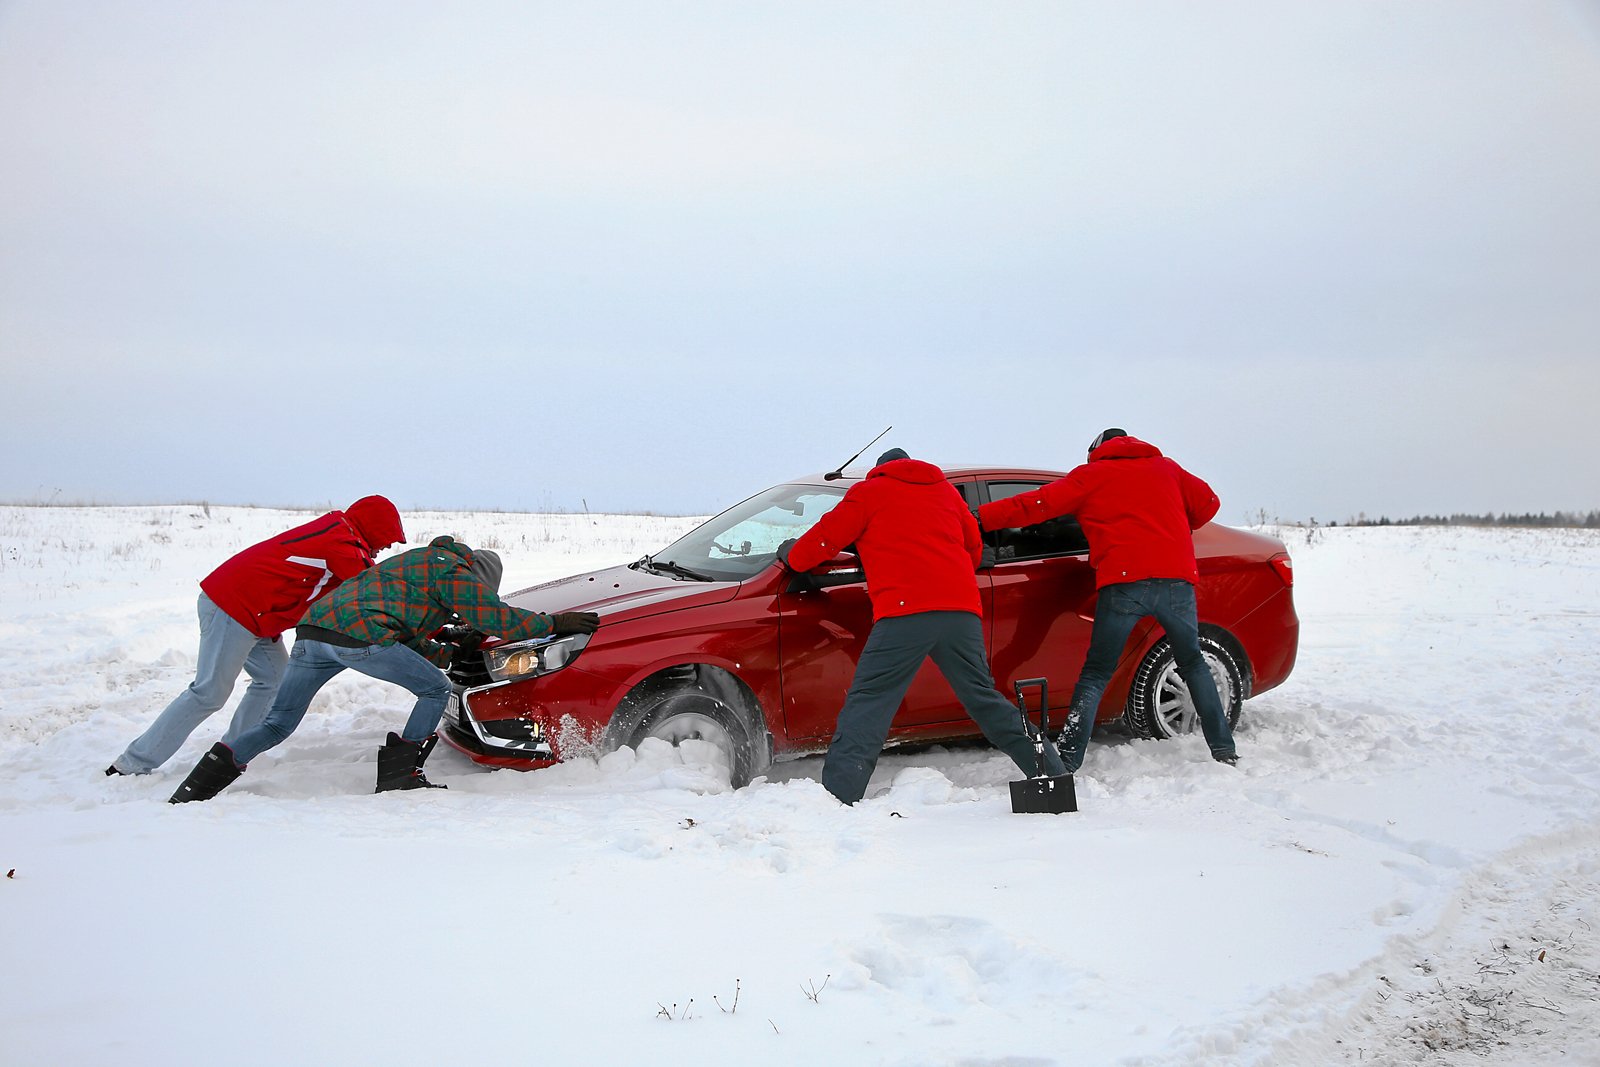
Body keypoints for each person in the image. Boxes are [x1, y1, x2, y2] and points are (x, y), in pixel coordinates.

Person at [168, 536, 601, 802]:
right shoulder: (455, 570)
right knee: (434, 690)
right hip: (360, 638)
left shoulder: (415, 563)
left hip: (315, 633)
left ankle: (200, 785)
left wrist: (447, 645)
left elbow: (401, 631)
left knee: (280, 722)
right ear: (479, 574)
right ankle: (400, 774)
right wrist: (554, 624)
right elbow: (497, 619)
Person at [782, 447, 1067, 805]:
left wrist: (792, 556)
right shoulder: (945, 491)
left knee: (870, 703)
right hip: (960, 613)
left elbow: (820, 543)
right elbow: (974, 550)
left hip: (904, 615)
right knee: (984, 699)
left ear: (880, 470)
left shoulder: (869, 493)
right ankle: (1051, 772)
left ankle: (839, 797)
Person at [976, 428, 1238, 771]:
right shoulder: (1168, 468)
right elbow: (1209, 503)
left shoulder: (1092, 476)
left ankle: (1069, 760)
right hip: (1175, 582)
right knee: (1192, 662)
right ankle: (1224, 750)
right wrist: (1172, 527)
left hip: (1124, 584)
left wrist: (980, 517)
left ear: (1096, 450)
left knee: (1097, 672)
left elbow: (1035, 505)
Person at [107, 496, 405, 776]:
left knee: (275, 680)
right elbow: (375, 592)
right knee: (209, 692)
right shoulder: (341, 544)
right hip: (234, 607)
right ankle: (132, 763)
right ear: (375, 527)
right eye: (388, 537)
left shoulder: (340, 533)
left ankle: (229, 756)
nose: (388, 546)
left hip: (258, 616)